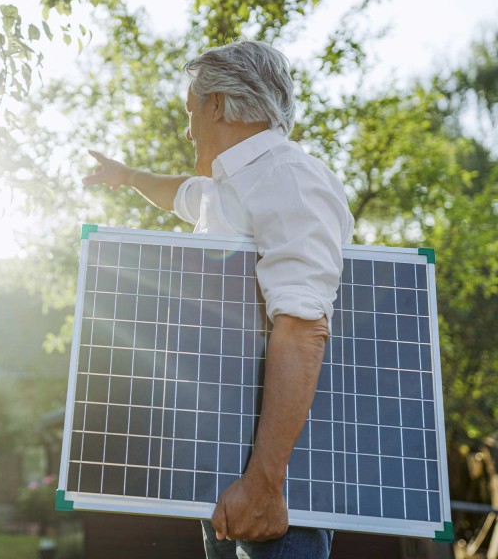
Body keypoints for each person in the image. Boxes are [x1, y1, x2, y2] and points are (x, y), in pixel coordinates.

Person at [83, 40, 354, 559]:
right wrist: (128, 177)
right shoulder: (231, 186)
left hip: (276, 480)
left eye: (190, 112)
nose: (188, 131)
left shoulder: (291, 180)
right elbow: (181, 193)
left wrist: (264, 482)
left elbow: (302, 328)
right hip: (227, 468)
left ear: (217, 105)